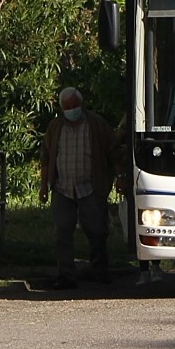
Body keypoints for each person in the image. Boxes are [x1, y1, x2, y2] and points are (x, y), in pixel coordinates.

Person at [39, 87, 121, 288]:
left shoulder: (96, 124)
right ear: (61, 109)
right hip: (62, 188)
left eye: (75, 106)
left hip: (90, 187)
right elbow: (46, 157)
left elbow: (115, 152)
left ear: (81, 105)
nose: (72, 110)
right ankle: (66, 275)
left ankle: (99, 271)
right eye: (67, 107)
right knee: (62, 233)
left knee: (97, 231)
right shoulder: (55, 127)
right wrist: (43, 186)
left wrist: (121, 177)